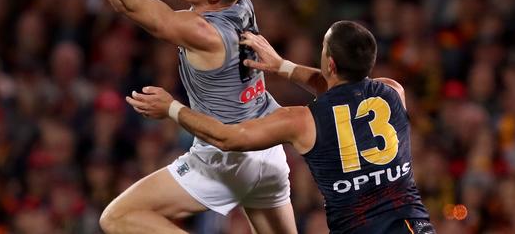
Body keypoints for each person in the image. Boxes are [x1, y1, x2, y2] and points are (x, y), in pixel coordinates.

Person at [62, 0, 296, 234]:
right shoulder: (238, 0)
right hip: (266, 145)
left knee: (116, 218)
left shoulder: (202, 31)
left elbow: (128, 4)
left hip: (226, 154)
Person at [128, 21, 435, 233]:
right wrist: (283, 66)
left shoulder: (302, 120)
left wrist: (172, 107)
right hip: (412, 226)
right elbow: (344, 89)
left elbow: (225, 137)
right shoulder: (393, 91)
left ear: (329, 63)